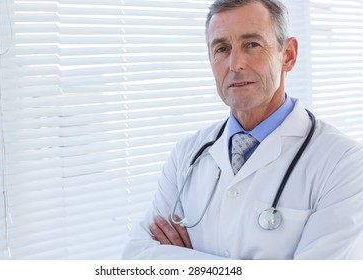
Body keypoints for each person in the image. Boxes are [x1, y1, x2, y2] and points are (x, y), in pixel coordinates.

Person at [121, 0, 363, 259]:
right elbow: (137, 256)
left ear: (288, 55)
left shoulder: (344, 162)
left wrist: (183, 261)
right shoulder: (187, 154)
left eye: (252, 44)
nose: (235, 64)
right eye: (222, 49)